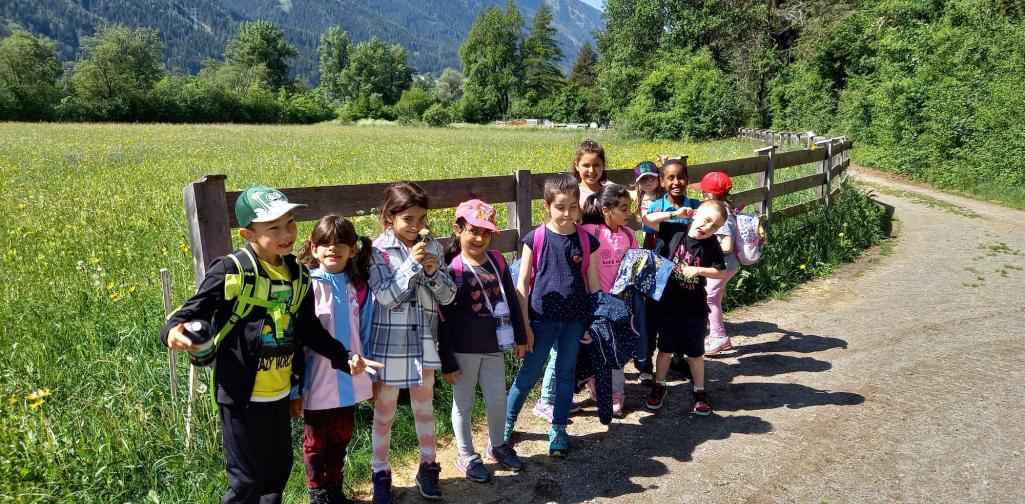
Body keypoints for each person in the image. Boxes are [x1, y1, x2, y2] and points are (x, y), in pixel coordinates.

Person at [160, 186, 373, 504]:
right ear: (248, 233)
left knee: (277, 472)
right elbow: (192, 310)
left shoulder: (298, 274)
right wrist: (173, 332)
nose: (286, 233)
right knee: (247, 480)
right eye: (274, 227)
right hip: (242, 394)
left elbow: (309, 330)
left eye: (289, 222)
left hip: (278, 392)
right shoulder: (232, 270)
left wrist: (344, 357)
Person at [365, 182, 456, 503]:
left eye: (422, 219)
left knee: (424, 409)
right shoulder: (376, 251)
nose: (417, 227)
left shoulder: (433, 248)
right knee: (385, 412)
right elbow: (387, 296)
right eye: (409, 220)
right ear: (390, 217)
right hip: (389, 345)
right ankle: (380, 472)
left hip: (424, 342)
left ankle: (428, 467)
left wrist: (432, 272)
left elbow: (448, 296)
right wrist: (413, 265)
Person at [506, 173, 601, 457]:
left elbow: (593, 286)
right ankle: (507, 422)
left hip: (574, 322)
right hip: (540, 320)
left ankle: (559, 427)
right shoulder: (534, 238)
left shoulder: (586, 241)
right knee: (529, 374)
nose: (568, 213)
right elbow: (522, 285)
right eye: (561, 206)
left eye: (574, 206)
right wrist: (524, 327)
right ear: (547, 206)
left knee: (565, 375)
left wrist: (593, 324)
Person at [438, 199, 528, 483]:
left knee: (497, 400)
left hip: (494, 347)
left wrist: (521, 336)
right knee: (463, 404)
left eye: (486, 233)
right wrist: (447, 360)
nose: (479, 238)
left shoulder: (498, 260)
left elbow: (512, 300)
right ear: (457, 230)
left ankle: (498, 445)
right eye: (473, 231)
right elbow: (444, 319)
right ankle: (465, 454)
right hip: (463, 351)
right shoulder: (452, 271)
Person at [294, 215, 380, 504]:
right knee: (316, 441)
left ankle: (335, 490)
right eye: (326, 244)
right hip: (317, 380)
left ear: (353, 249)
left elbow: (365, 334)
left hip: (351, 377)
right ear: (313, 248)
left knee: (342, 436)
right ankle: (317, 493)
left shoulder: (359, 288)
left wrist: (372, 376)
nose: (333, 249)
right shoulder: (307, 286)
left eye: (341, 244)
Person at [641, 200, 729, 416]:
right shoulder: (674, 230)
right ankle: (659, 385)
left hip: (694, 308)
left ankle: (699, 391)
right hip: (668, 305)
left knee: (695, 353)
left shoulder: (712, 245)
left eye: (715, 227)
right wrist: (675, 213)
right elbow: (647, 219)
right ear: (695, 214)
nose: (708, 228)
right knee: (665, 349)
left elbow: (721, 272)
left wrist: (699, 270)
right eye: (707, 220)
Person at [638, 156, 701, 384]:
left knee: (682, 317)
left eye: (681, 177)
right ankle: (645, 365)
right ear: (662, 182)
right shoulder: (656, 206)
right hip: (660, 272)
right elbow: (648, 225)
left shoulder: (696, 205)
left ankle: (677, 358)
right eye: (670, 178)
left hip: (686, 272)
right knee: (652, 318)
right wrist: (677, 215)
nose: (676, 182)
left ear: (687, 180)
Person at [579, 184, 638, 417]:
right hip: (594, 300)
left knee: (616, 347)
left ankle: (615, 393)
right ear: (606, 210)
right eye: (623, 209)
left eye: (628, 208)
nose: (628, 213)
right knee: (594, 345)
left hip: (619, 301)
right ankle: (595, 381)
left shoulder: (629, 234)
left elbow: (634, 265)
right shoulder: (590, 231)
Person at [696, 172, 740, 356]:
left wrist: (706, 247)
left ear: (711, 195)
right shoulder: (723, 210)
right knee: (713, 299)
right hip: (725, 266)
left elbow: (727, 246)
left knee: (710, 299)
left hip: (724, 266)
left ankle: (719, 337)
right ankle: (716, 334)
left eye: (704, 192)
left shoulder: (721, 215)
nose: (702, 195)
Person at [631, 160, 664, 250]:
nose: (648, 182)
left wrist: (665, 165)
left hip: (665, 237)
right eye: (643, 179)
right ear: (638, 182)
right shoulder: (641, 198)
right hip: (650, 239)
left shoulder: (666, 195)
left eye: (651, 177)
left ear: (658, 178)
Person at [570, 138, 608, 204]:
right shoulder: (572, 194)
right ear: (576, 166)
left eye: (596, 165)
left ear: (603, 165)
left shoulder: (609, 190)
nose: (591, 170)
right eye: (586, 165)